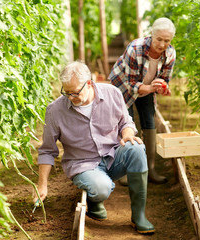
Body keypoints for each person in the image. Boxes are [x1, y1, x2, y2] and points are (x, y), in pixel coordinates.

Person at [33, 61, 155, 234]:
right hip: (83, 164)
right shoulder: (55, 111)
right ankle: (95, 198)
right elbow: (47, 150)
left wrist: (127, 134)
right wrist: (42, 185)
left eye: (75, 92)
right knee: (100, 188)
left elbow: (125, 122)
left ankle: (139, 216)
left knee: (136, 148)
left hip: (113, 155)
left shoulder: (112, 93)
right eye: (66, 92)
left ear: (89, 83)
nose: (70, 97)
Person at [109, 17, 176, 184]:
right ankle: (124, 171)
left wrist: (163, 87)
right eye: (159, 39)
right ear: (151, 35)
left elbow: (164, 79)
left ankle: (149, 169)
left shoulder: (170, 54)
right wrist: (152, 87)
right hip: (123, 87)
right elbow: (132, 84)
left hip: (147, 87)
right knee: (126, 124)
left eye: (166, 41)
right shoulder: (135, 48)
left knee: (149, 123)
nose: (162, 44)